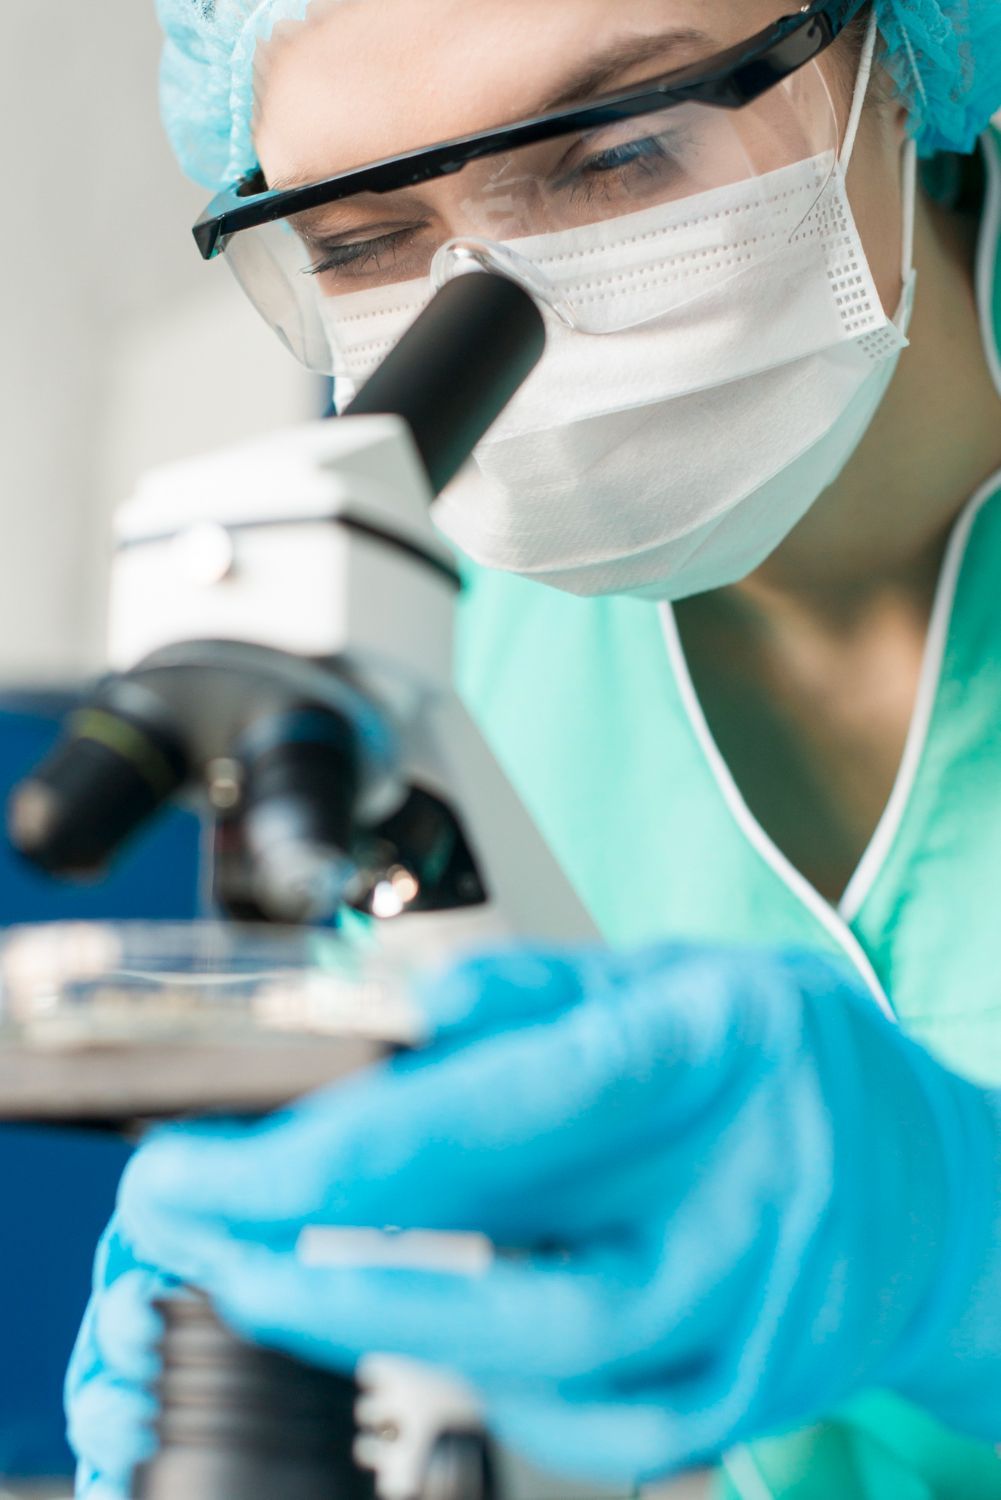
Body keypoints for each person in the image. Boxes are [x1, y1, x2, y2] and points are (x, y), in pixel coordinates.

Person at [66, 1, 1001, 1496]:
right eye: (361, 240)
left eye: (621, 153)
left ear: (897, 56)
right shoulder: (406, 640)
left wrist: (962, 1241)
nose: (497, 299)